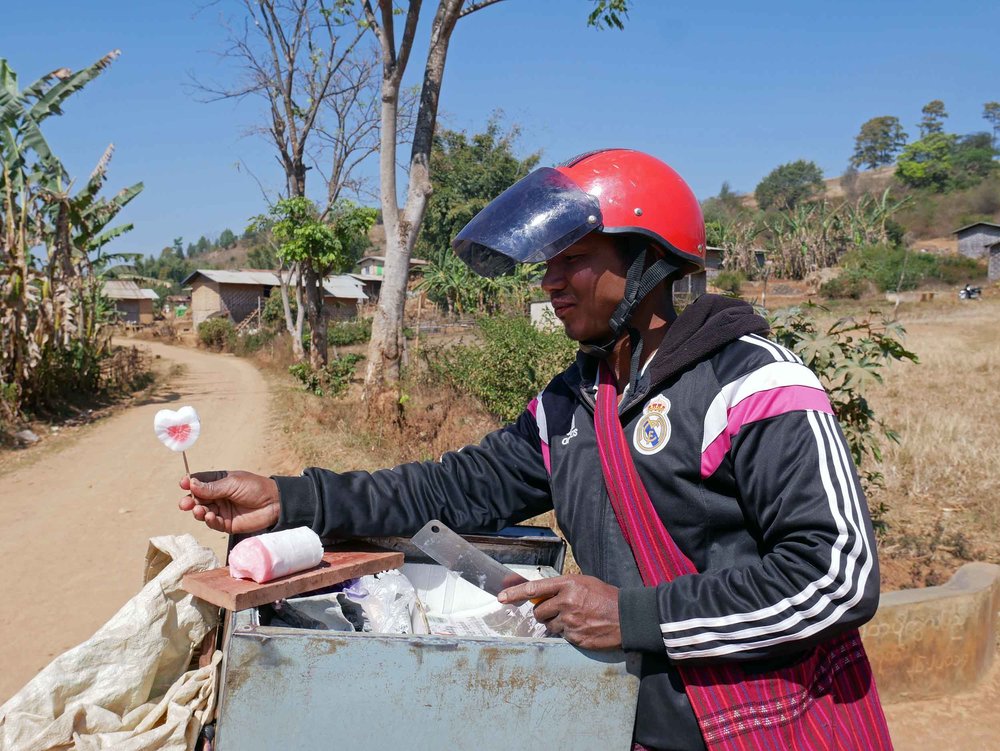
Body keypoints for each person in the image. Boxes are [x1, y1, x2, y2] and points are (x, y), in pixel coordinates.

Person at [179, 149, 891, 751]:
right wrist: (291, 497)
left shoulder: (752, 379)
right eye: (548, 261)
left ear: (646, 260)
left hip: (775, 725)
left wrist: (635, 616)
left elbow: (837, 574)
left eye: (574, 259)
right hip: (639, 726)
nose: (550, 281)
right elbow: (449, 489)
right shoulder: (571, 404)